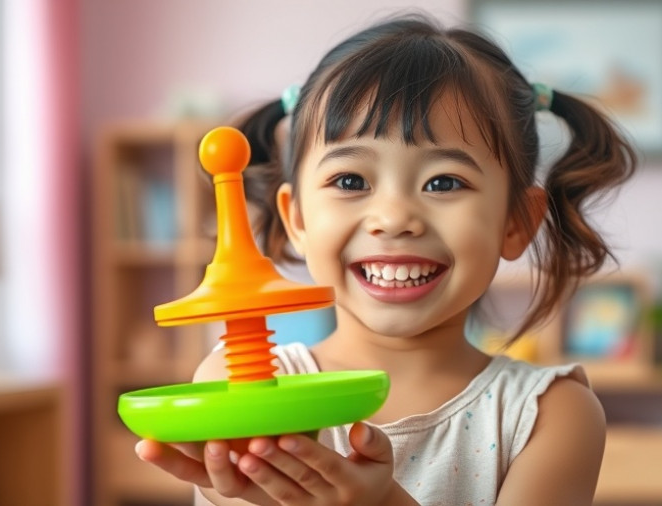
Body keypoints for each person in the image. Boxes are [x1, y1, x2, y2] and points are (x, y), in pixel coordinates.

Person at [136, 13, 636, 506]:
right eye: (350, 180)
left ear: (515, 223)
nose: (394, 218)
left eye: (443, 182)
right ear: (297, 219)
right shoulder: (235, 389)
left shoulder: (550, 415)